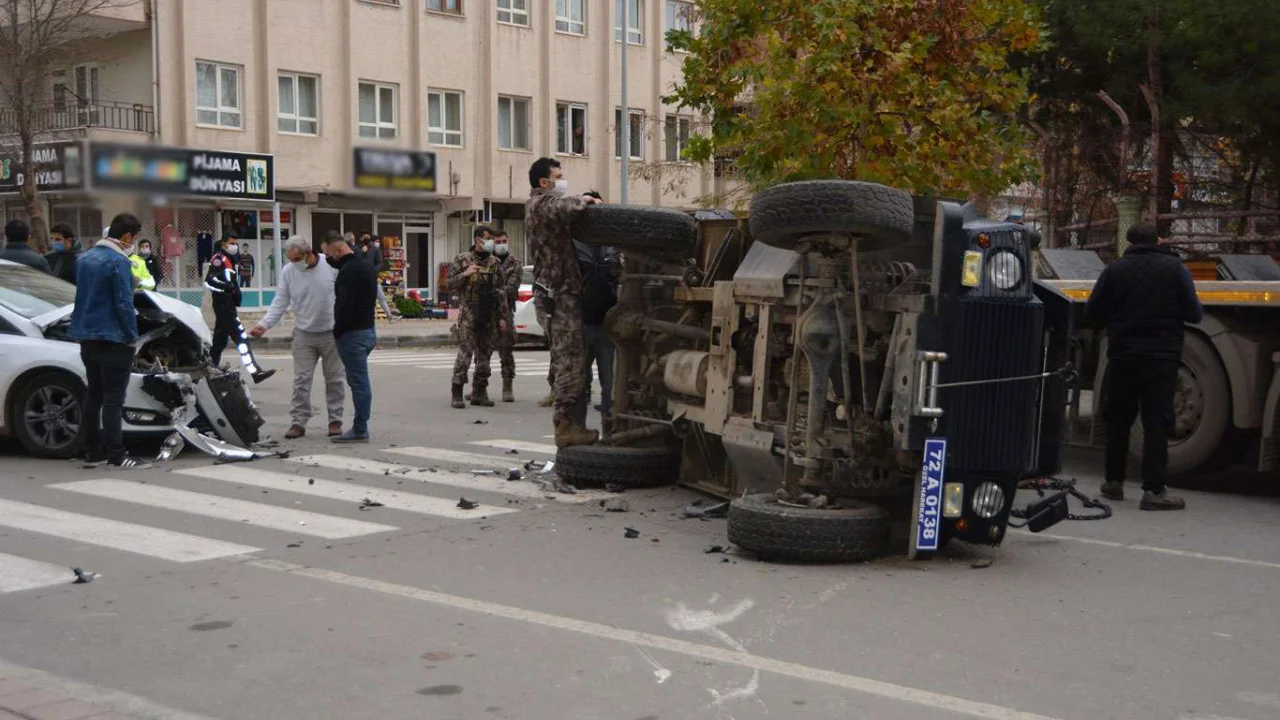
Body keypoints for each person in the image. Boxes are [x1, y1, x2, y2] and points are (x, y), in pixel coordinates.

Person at [1086, 225, 1204, 511]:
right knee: (1157, 422)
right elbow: (1194, 314)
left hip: (1123, 356)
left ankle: (1113, 482)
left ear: (1130, 241)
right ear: (1159, 241)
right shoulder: (1175, 270)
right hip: (1161, 359)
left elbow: (1092, 313)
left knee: (1119, 419)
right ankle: (1154, 490)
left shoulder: (1114, 271)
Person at [525, 157, 603, 447]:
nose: (562, 179)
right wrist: (582, 199)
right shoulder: (540, 204)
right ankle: (566, 428)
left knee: (570, 359)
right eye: (559, 176)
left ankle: (570, 425)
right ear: (545, 183)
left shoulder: (546, 207)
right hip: (559, 294)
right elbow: (563, 206)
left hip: (563, 291)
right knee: (570, 361)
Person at [68, 213, 149, 469]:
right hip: (114, 337)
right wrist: (131, 335)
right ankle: (117, 454)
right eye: (134, 238)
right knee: (114, 399)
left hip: (86, 335)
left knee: (94, 395)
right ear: (127, 236)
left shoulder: (85, 259)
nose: (133, 243)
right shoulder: (119, 262)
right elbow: (124, 303)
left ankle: (93, 452)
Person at [251, 235, 345, 440]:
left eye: (296, 259)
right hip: (304, 334)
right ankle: (298, 422)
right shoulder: (289, 272)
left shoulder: (331, 266)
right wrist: (264, 325)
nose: (294, 264)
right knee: (301, 380)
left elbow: (344, 294)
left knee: (335, 379)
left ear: (308, 253)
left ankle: (335, 420)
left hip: (331, 333)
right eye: (290, 260)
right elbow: (281, 301)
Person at [321, 230, 379, 443]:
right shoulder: (365, 265)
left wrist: (338, 332)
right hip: (368, 330)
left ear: (337, 250)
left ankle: (360, 428)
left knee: (359, 383)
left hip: (353, 334)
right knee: (360, 381)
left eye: (328, 254)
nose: (328, 259)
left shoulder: (348, 271)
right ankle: (360, 426)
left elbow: (344, 305)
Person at [446, 226, 509, 409]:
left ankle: (479, 391)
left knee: (485, 355)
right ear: (477, 240)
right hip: (469, 313)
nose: (491, 242)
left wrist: (502, 316)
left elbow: (500, 291)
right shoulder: (463, 259)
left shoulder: (495, 263)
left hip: (489, 313)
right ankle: (457, 391)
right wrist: (465, 274)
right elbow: (448, 284)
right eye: (488, 238)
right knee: (465, 354)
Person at [572, 191, 620, 426]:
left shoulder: (613, 246)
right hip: (579, 322)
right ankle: (578, 430)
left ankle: (609, 430)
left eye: (599, 208)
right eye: (590, 208)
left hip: (606, 325)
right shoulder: (572, 243)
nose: (595, 214)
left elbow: (622, 279)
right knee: (578, 382)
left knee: (610, 384)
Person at [205, 233, 275, 384]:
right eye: (232, 243)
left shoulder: (229, 259)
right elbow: (209, 281)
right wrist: (227, 287)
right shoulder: (219, 259)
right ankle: (255, 372)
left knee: (219, 341)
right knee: (241, 338)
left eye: (236, 243)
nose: (235, 246)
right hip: (224, 306)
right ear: (224, 244)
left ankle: (209, 368)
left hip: (227, 305)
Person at [492, 229, 521, 403]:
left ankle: (507, 386)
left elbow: (511, 289)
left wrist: (490, 291)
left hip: (505, 311)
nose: (501, 244)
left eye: (504, 241)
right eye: (497, 242)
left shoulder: (514, 263)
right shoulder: (486, 262)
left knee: (506, 349)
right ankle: (479, 388)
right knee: (482, 351)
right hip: (486, 311)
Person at [347, 231, 398, 321]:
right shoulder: (357, 248)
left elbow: (379, 262)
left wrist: (373, 271)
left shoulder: (375, 249)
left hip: (372, 277)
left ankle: (389, 316)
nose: (366, 238)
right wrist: (362, 252)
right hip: (360, 279)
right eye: (364, 237)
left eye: (368, 236)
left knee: (381, 296)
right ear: (361, 238)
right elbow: (354, 260)